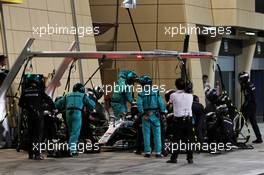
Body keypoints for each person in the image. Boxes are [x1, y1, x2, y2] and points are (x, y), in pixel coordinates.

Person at [19, 74, 55, 160]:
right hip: (39, 115)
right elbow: (49, 100)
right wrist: (53, 108)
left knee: (31, 134)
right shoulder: (39, 91)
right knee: (38, 136)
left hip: (29, 115)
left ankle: (31, 154)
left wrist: (29, 108)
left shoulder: (25, 91)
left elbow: (20, 104)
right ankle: (37, 154)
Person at [55, 83, 96, 156]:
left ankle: (71, 148)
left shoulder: (67, 95)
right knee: (75, 132)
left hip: (68, 113)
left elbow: (57, 104)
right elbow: (92, 104)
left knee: (70, 132)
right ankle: (72, 150)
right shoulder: (83, 95)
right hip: (77, 113)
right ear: (82, 89)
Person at [137, 75, 166, 158]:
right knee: (157, 134)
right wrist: (163, 112)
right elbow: (160, 102)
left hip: (145, 116)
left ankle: (147, 152)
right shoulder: (156, 91)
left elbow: (139, 104)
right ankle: (158, 152)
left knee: (146, 134)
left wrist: (143, 114)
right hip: (155, 115)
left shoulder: (141, 93)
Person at [167, 78, 194, 164]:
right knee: (188, 140)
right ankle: (190, 158)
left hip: (178, 121)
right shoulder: (191, 95)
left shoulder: (173, 95)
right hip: (188, 120)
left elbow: (169, 105)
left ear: (176, 85)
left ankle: (174, 158)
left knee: (176, 140)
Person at [238, 72, 262, 144]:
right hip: (253, 105)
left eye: (241, 79)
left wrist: (243, 106)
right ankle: (259, 138)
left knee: (241, 120)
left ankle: (234, 136)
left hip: (249, 106)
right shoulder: (250, 84)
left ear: (244, 79)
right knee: (253, 122)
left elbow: (248, 98)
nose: (240, 81)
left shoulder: (247, 86)